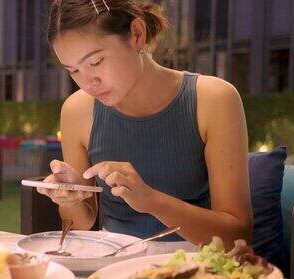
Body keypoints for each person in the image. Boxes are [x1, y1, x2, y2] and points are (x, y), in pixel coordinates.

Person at [36, 0, 252, 252]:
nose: (88, 82)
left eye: (96, 63)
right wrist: (71, 197)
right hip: (112, 265)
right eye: (73, 70)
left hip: (197, 267)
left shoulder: (213, 99)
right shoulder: (76, 111)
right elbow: (81, 224)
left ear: (137, 35)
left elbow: (238, 235)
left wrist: (151, 201)